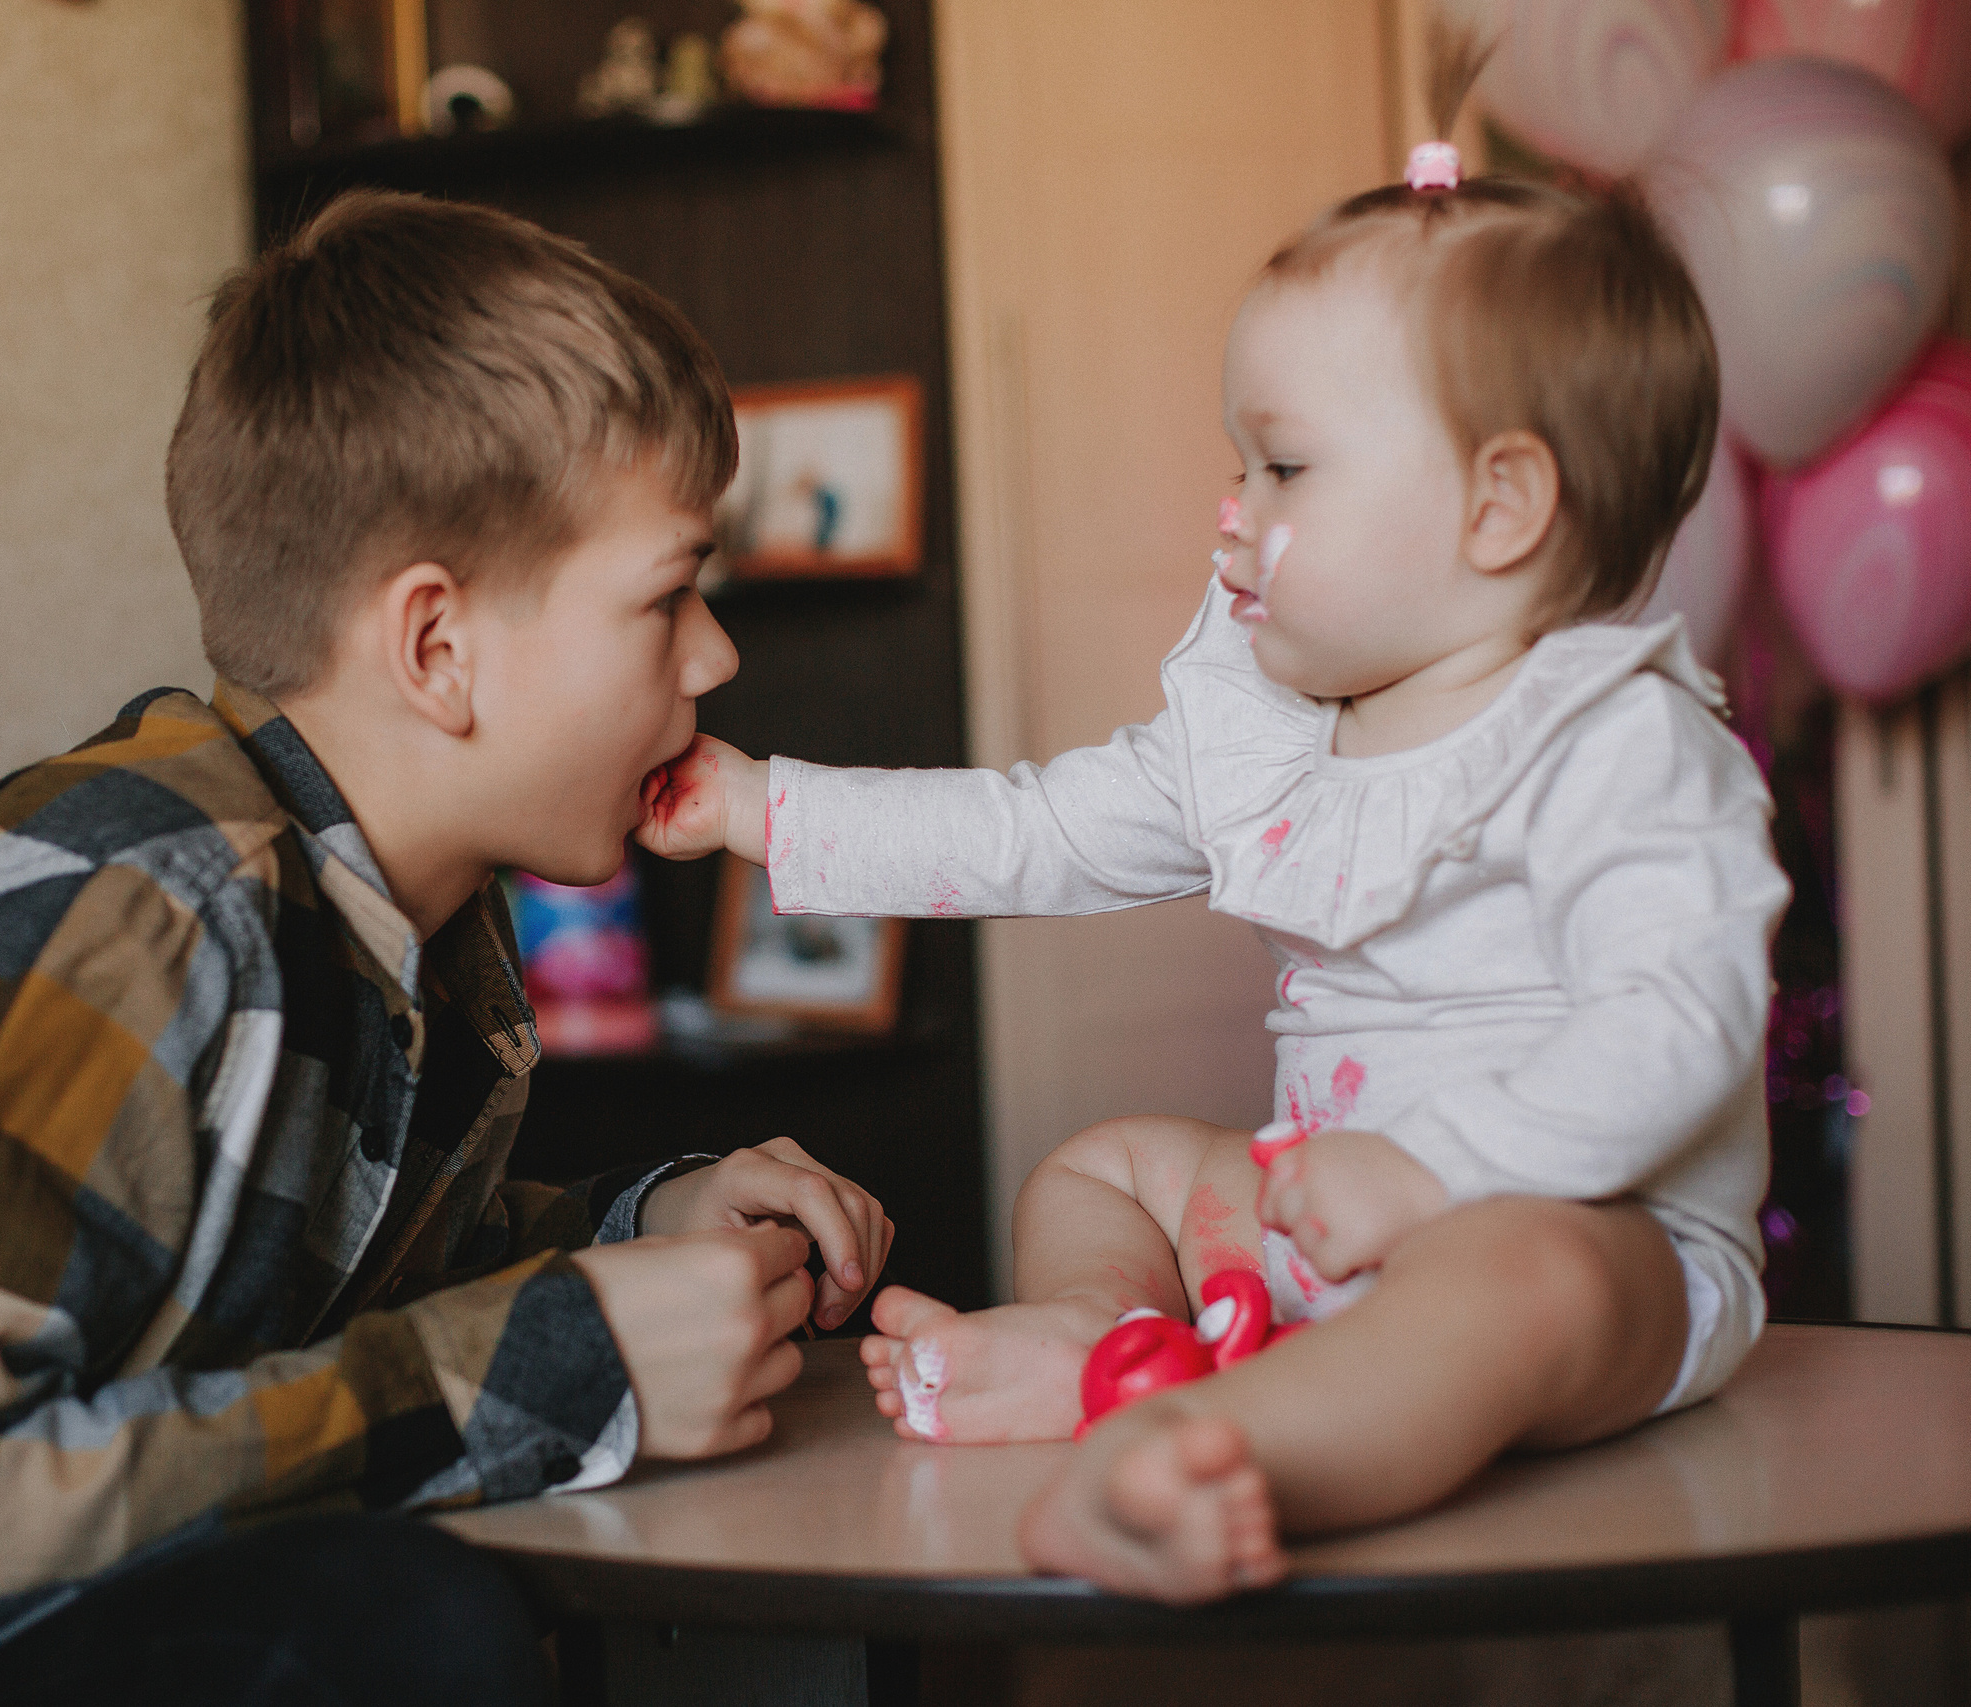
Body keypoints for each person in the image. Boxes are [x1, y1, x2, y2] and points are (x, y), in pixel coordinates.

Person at [0, 189, 894, 1707]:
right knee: (395, 1621)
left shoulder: (405, 925)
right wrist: (558, 1368)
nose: (714, 656)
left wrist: (639, 1229)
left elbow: (298, 1300)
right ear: (437, 649)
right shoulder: (139, 915)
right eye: (668, 596)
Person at [637, 58, 1785, 1603]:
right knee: (1103, 1168)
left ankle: (1226, 1455)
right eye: (1242, 464)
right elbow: (1031, 830)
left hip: (1590, 1241)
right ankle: (1117, 1350)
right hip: (1323, 1213)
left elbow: (1680, 1024)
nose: (1232, 513)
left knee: (1526, 1282)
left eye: (1286, 466)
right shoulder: (1271, 734)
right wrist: (767, 808)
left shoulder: (1617, 738)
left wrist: (1434, 1177)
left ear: (1499, 509)